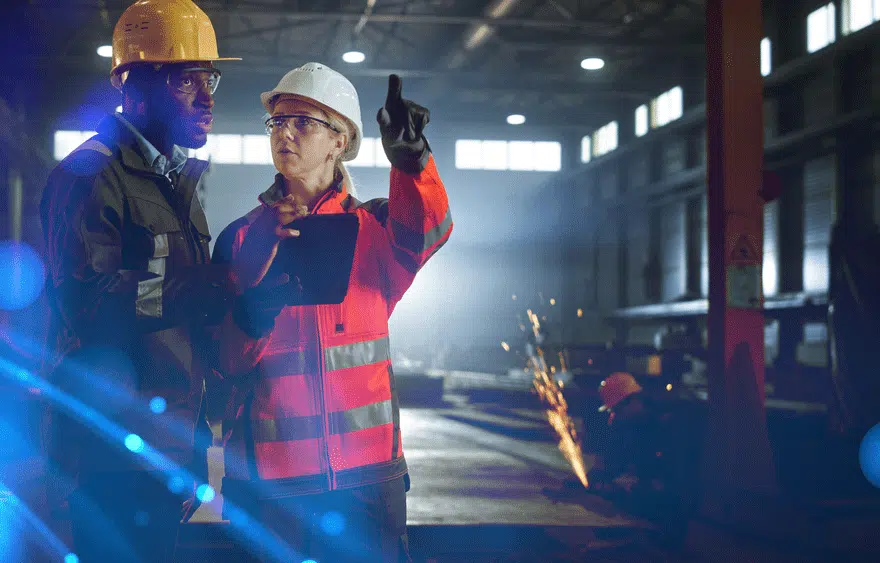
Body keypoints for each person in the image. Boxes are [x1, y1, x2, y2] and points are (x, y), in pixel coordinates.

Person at [39, 1, 285, 561]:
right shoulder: (91, 175)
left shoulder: (174, 180)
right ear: (137, 89)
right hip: (111, 451)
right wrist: (204, 286)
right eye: (186, 80)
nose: (208, 97)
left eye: (211, 78)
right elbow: (86, 304)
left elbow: (180, 319)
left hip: (166, 441)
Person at [210, 62, 453, 563]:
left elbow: (429, 230)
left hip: (367, 480)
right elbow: (224, 361)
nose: (284, 133)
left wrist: (413, 162)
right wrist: (250, 319)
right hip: (271, 483)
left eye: (302, 122)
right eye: (276, 122)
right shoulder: (241, 237)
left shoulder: (377, 228)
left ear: (339, 140)